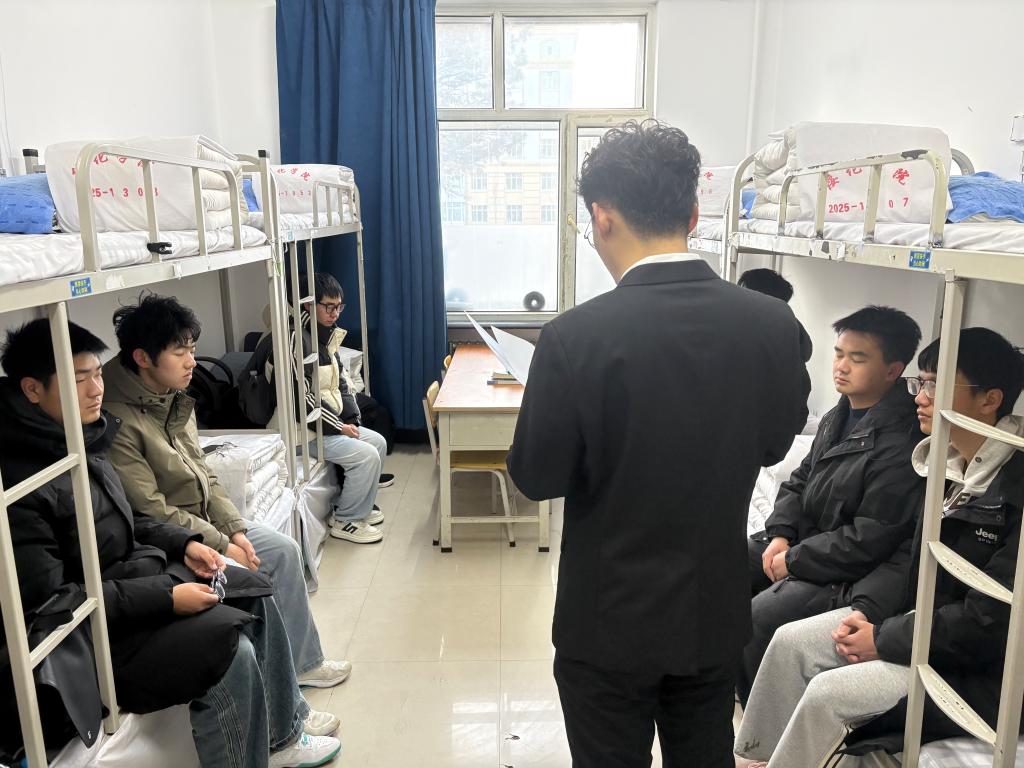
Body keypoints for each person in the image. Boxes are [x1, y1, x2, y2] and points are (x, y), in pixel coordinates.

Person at [507, 119, 812, 768]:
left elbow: (536, 476)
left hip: (606, 620)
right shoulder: (772, 324)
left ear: (601, 217)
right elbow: (773, 443)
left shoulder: (573, 338)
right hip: (711, 611)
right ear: (694, 214)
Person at [0, 319, 340, 768]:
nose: (96, 389)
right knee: (230, 651)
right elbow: (56, 605)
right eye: (79, 380)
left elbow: (131, 519)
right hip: (97, 635)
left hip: (134, 588)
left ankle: (283, 737)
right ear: (32, 389)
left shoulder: (81, 441)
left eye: (98, 374)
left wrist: (186, 544)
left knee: (252, 589)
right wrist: (166, 597)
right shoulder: (20, 487)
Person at [735, 327, 1024, 768]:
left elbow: (987, 621)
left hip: (974, 667)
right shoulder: (945, 465)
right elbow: (909, 558)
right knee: (789, 642)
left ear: (990, 400)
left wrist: (883, 637)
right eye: (921, 382)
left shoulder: (1010, 491)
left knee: (826, 691)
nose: (921, 397)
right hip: (912, 623)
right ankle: (754, 757)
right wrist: (868, 612)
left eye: (936, 385)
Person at [98, 294, 353, 697]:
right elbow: (151, 509)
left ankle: (305, 663)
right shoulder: (118, 422)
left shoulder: (171, 398)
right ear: (142, 358)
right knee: (254, 578)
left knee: (283, 550)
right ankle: (281, 695)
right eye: (180, 352)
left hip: (206, 525)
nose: (191, 363)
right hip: (171, 540)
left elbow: (205, 474)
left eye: (193, 350)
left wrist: (235, 530)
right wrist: (221, 544)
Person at [739, 305, 924, 703]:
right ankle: (718, 684)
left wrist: (794, 559)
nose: (841, 366)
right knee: (721, 564)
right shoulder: (839, 415)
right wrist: (780, 535)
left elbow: (869, 539)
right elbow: (799, 480)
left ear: (893, 371)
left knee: (757, 619)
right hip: (809, 546)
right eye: (839, 353)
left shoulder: (902, 442)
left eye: (857, 358)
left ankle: (761, 727)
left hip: (846, 572)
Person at [274, 272, 390, 545]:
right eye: (328, 307)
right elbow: (301, 401)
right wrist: (339, 426)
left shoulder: (324, 338)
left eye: (339, 307)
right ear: (308, 305)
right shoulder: (295, 339)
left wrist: (352, 419)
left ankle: (351, 506)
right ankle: (346, 520)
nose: (335, 313)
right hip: (305, 433)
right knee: (366, 456)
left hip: (326, 426)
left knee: (378, 442)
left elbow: (341, 385)